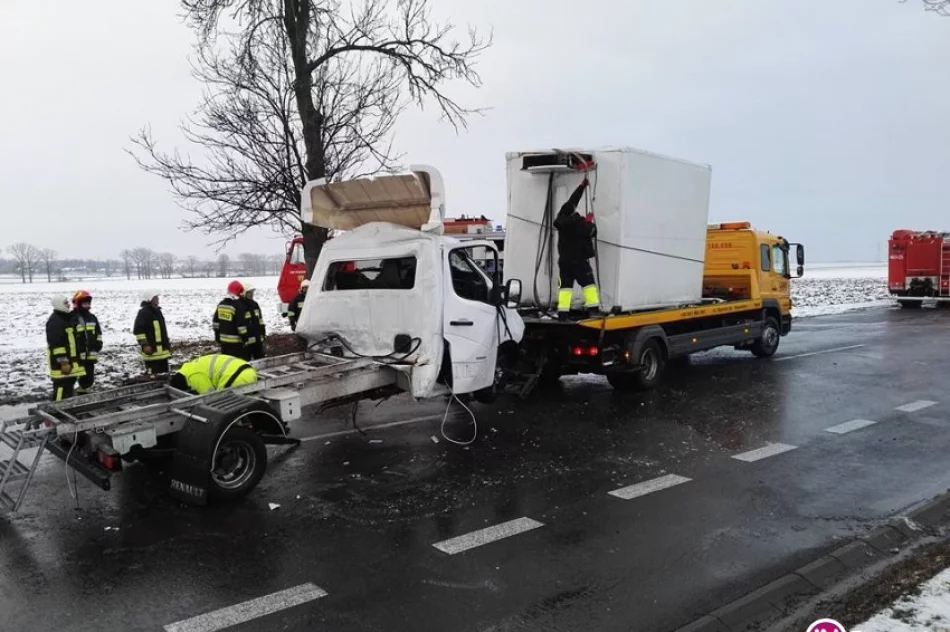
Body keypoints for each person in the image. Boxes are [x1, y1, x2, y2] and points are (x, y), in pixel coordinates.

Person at [553, 176, 602, 320]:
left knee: (565, 288)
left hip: (564, 262)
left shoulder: (560, 220)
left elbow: (572, 202)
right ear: (573, 212)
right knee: (589, 285)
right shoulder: (578, 223)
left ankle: (563, 313)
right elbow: (592, 231)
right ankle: (593, 310)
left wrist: (581, 187)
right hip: (578, 261)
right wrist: (589, 222)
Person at [46, 296, 86, 401]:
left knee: (69, 385)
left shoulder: (65, 318)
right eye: (65, 303)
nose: (68, 304)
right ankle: (57, 409)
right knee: (61, 386)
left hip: (70, 361)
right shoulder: (55, 321)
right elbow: (56, 345)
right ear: (59, 304)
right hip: (62, 363)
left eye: (68, 302)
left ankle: (67, 406)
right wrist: (63, 362)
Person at [169, 354, 258, 395]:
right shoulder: (189, 367)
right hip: (247, 370)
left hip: (235, 376)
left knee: (220, 404)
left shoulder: (193, 377)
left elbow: (209, 396)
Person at [71, 290, 102, 394]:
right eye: (84, 303)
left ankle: (84, 389)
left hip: (90, 353)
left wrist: (98, 344)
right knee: (77, 372)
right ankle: (72, 391)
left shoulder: (92, 317)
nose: (87, 305)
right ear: (78, 303)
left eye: (88, 303)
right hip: (78, 353)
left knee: (89, 373)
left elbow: (98, 333)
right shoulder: (73, 318)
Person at [133, 290, 172, 374]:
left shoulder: (157, 312)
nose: (158, 299)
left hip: (162, 354)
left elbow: (162, 332)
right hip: (152, 354)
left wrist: (167, 346)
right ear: (149, 299)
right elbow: (139, 332)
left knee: (164, 376)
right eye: (155, 297)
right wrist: (145, 345)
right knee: (154, 378)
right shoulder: (144, 313)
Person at [213, 280, 251, 359]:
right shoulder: (238, 305)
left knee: (226, 362)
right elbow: (241, 326)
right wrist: (245, 339)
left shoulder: (221, 304)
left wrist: (217, 336)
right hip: (236, 343)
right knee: (236, 364)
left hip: (224, 341)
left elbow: (215, 323)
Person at [242, 282, 266, 360]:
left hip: (257, 340)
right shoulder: (240, 306)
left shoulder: (255, 305)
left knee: (260, 361)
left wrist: (263, 333)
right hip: (247, 341)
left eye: (252, 292)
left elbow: (260, 320)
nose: (251, 294)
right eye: (249, 293)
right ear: (244, 293)